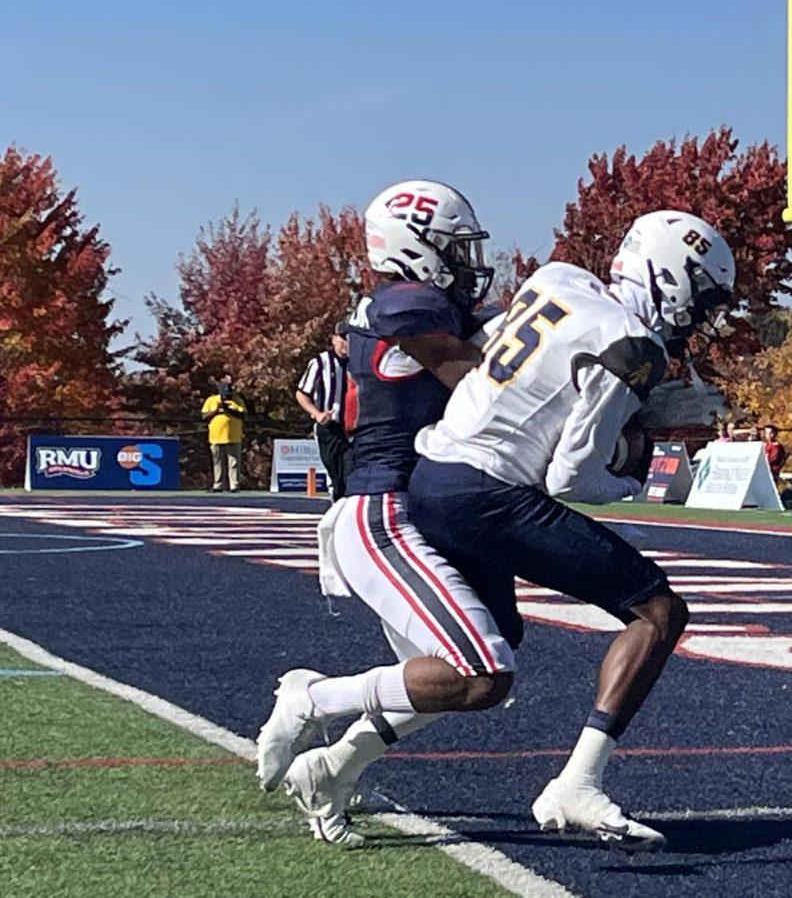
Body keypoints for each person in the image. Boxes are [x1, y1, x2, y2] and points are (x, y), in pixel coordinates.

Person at [407, 209, 735, 850]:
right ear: (673, 276)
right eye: (701, 294)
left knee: (487, 651)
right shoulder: (637, 345)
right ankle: (577, 781)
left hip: (435, 472)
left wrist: (631, 414)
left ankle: (333, 746)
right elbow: (570, 478)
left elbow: (502, 365)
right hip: (487, 491)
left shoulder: (560, 277)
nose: (701, 313)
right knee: (658, 612)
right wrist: (634, 481)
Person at [255, 180, 505, 848]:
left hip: (423, 511)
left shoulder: (422, 305)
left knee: (446, 681)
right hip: (386, 511)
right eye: (452, 247)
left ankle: (334, 770)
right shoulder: (407, 303)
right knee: (480, 670)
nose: (466, 261)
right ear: (416, 247)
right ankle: (311, 699)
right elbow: (489, 394)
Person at [296, 321, 350, 499]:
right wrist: (317, 414)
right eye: (342, 338)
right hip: (330, 427)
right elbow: (302, 394)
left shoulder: (358, 363)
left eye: (350, 338)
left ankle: (346, 516)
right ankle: (336, 513)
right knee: (336, 478)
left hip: (354, 429)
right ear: (334, 339)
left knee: (352, 476)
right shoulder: (321, 362)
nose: (346, 343)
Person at [201, 375, 246, 492]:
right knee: (217, 463)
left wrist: (228, 409)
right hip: (216, 437)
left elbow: (242, 415)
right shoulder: (211, 400)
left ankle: (234, 486)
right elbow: (204, 416)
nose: (227, 397)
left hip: (234, 437)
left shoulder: (237, 400)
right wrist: (217, 410)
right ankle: (218, 485)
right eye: (225, 395)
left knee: (234, 463)